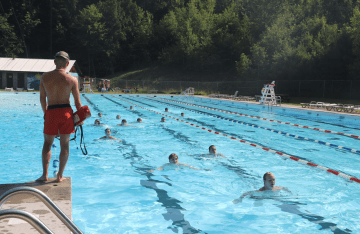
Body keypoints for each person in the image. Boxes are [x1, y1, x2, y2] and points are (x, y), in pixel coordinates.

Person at [37, 51, 82, 183]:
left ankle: (44, 175)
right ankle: (60, 176)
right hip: (66, 114)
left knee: (47, 144)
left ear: (55, 62)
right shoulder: (72, 79)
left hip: (51, 111)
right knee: (65, 146)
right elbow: (78, 103)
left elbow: (42, 99)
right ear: (67, 64)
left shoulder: (45, 77)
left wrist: (46, 113)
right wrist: (80, 119)